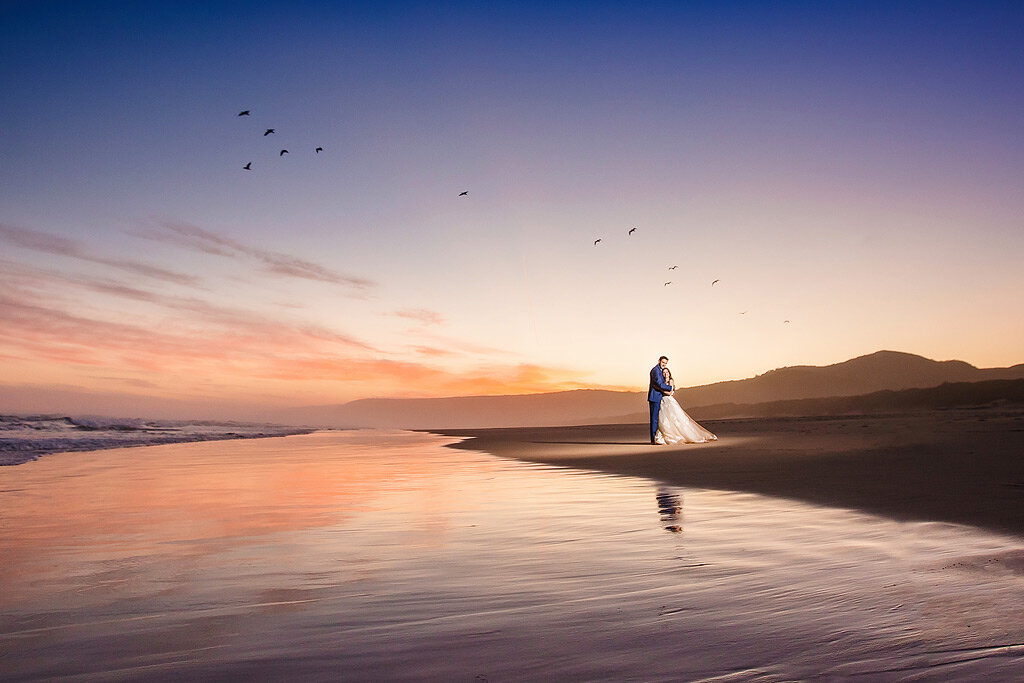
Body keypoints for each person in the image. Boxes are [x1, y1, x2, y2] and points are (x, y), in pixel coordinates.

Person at [655, 366, 717, 445]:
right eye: (664, 372)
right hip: (663, 401)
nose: (665, 374)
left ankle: (680, 436)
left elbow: (670, 392)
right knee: (664, 420)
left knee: (676, 418)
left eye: (667, 372)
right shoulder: (661, 381)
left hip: (669, 401)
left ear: (669, 373)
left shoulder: (670, 380)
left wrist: (660, 390)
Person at [648, 356, 674, 444]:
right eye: (663, 362)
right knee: (654, 419)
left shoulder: (659, 370)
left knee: (659, 419)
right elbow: (659, 384)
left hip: (660, 397)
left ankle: (656, 438)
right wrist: (670, 387)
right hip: (655, 397)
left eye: (665, 363)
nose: (664, 364)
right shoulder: (655, 370)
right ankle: (654, 439)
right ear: (659, 361)